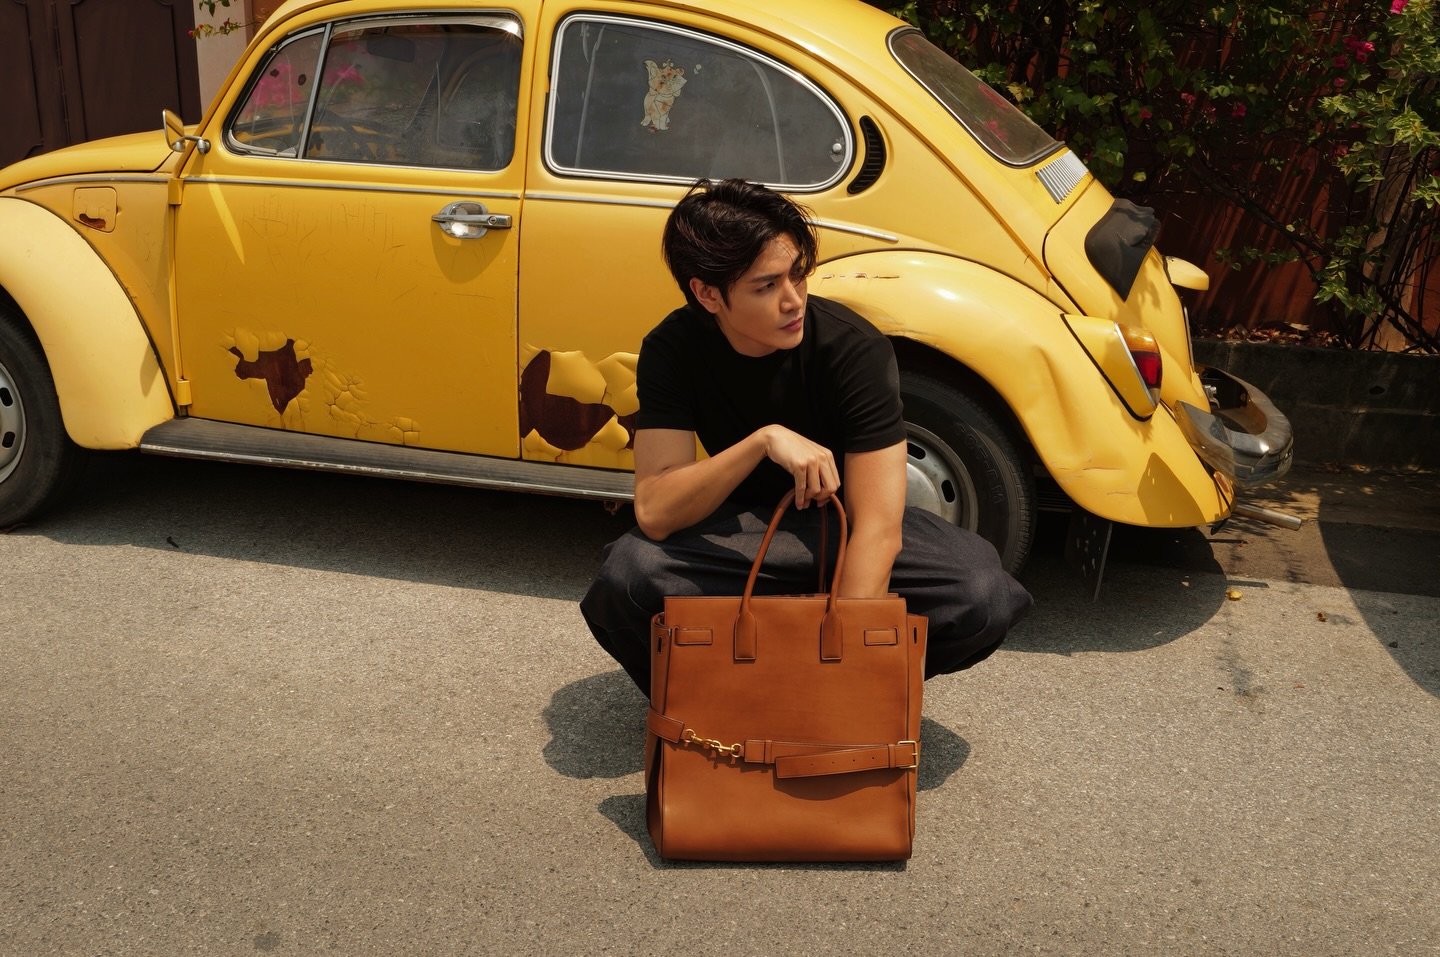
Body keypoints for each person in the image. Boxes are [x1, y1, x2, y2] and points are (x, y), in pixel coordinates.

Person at [581, 178, 1031, 694]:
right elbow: (657, 510)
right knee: (627, 578)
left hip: (844, 526)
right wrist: (762, 441)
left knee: (980, 591)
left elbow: (878, 528)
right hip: (743, 534)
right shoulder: (672, 349)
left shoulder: (852, 349)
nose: (793, 300)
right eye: (766, 286)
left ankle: (820, 695)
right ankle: (719, 700)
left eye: (798, 274)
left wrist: (837, 676)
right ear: (707, 294)